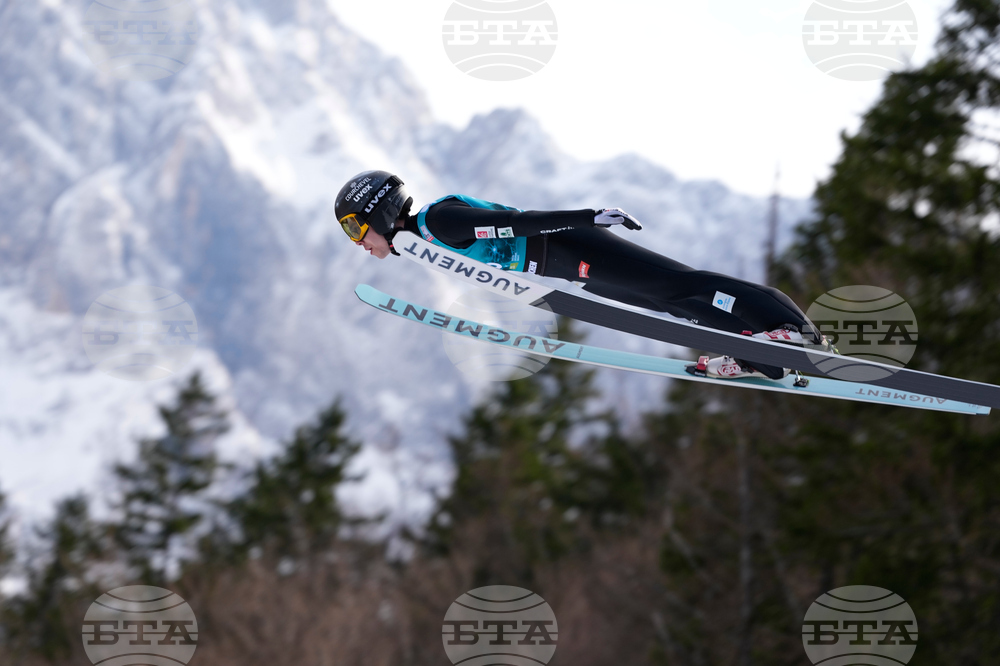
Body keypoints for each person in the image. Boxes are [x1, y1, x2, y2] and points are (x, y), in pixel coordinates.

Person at [336, 170, 826, 380]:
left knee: (682, 285)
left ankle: (792, 333)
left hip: (571, 248)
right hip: (569, 272)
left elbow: (517, 222)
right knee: (670, 307)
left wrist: (588, 216)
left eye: (356, 227)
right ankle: (756, 351)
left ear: (379, 213)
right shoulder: (426, 244)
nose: (359, 242)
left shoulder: (438, 222)